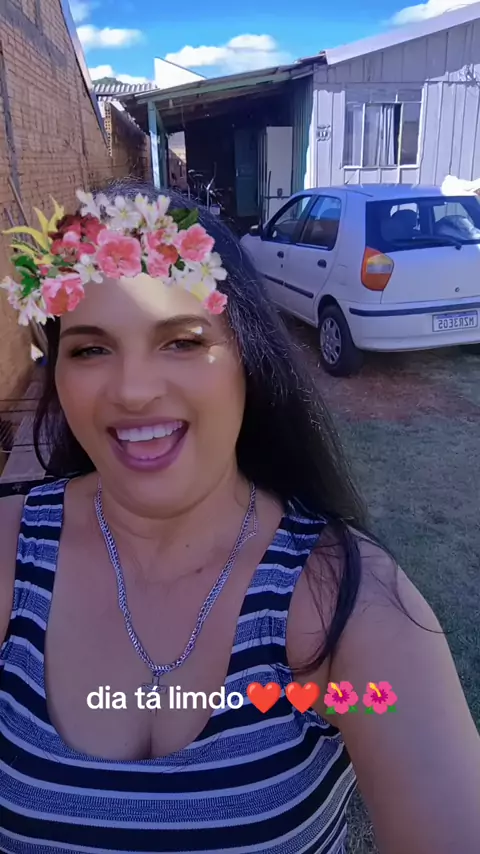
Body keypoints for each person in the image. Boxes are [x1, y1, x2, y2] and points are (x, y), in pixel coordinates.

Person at [0, 181, 479, 854]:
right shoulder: (10, 558)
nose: (132, 390)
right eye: (90, 349)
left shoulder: (345, 607)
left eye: (181, 341)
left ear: (247, 357)